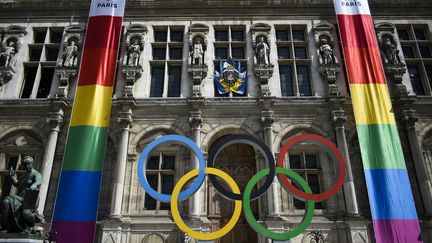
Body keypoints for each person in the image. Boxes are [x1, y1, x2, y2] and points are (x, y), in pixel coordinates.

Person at [1, 156, 42, 233]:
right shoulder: (24, 175)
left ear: (31, 163)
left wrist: (34, 185)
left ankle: (32, 226)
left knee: (26, 212)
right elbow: (17, 184)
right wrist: (12, 176)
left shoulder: (36, 173)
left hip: (30, 198)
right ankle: (5, 225)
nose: (26, 166)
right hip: (19, 197)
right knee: (6, 201)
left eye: (28, 164)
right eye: (25, 164)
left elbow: (39, 181)